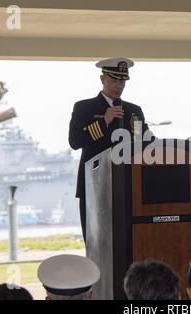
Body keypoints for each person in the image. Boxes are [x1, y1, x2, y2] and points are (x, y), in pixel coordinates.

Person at [68, 57, 151, 240]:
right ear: (102, 79)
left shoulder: (133, 110)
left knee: (128, 239)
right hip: (94, 183)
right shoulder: (84, 107)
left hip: (128, 184)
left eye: (122, 81)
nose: (118, 86)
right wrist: (104, 121)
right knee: (96, 239)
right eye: (114, 80)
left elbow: (144, 141)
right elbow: (75, 141)